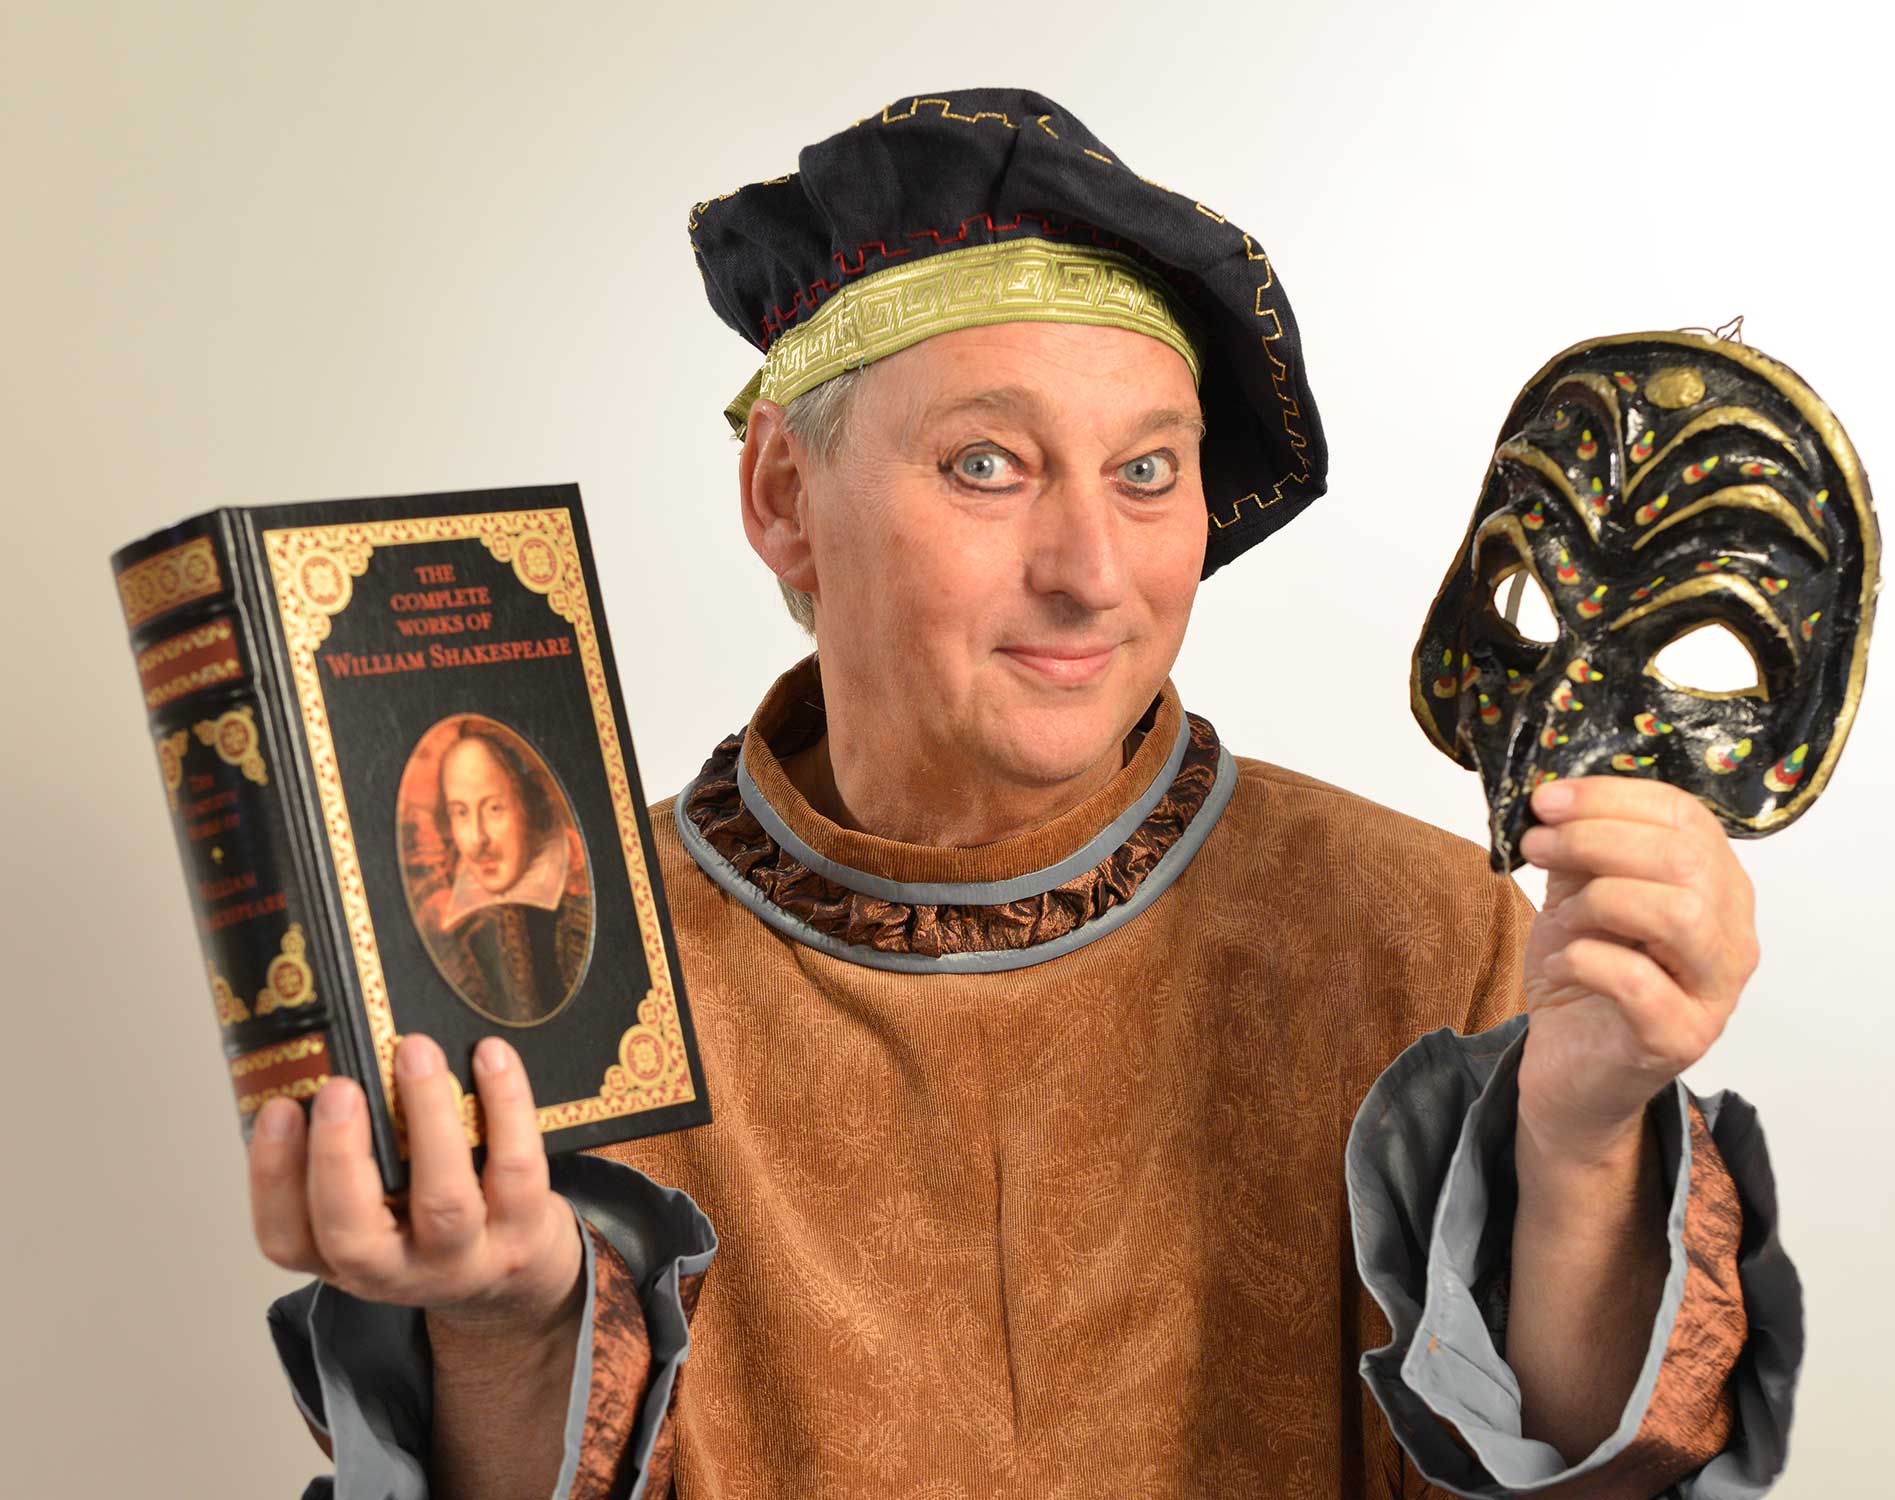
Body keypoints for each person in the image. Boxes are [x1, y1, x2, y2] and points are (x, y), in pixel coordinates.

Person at [249, 90, 1800, 1499]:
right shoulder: (571, 992)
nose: (1091, 573)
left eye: (1148, 471)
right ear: (784, 496)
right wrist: (506, 1332)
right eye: (987, 464)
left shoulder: (1424, 927)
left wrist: (1585, 1143)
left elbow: (1582, 1482)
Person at [416, 719, 591, 1024]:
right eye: (460, 812)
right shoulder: (451, 932)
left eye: (494, 808)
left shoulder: (579, 907)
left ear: (528, 805)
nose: (477, 839)